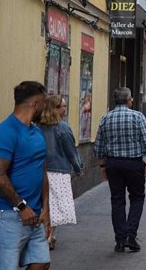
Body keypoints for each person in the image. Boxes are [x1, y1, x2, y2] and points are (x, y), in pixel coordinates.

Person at [0, 81, 51, 270]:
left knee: (41, 262)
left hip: (35, 214)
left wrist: (46, 209)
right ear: (36, 104)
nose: (44, 108)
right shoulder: (6, 131)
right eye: (44, 103)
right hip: (7, 215)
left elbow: (42, 171)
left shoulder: (36, 132)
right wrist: (22, 207)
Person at [94, 87, 146, 253]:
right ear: (128, 100)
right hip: (134, 164)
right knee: (137, 198)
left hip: (113, 164)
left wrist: (102, 166)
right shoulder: (137, 116)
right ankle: (130, 235)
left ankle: (120, 240)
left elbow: (99, 146)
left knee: (117, 200)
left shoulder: (106, 118)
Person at [38, 95, 84, 250]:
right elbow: (71, 152)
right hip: (58, 171)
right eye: (63, 106)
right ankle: (49, 236)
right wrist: (78, 168)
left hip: (40, 171)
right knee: (56, 206)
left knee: (45, 205)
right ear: (56, 109)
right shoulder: (63, 127)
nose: (65, 109)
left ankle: (48, 234)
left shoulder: (38, 126)